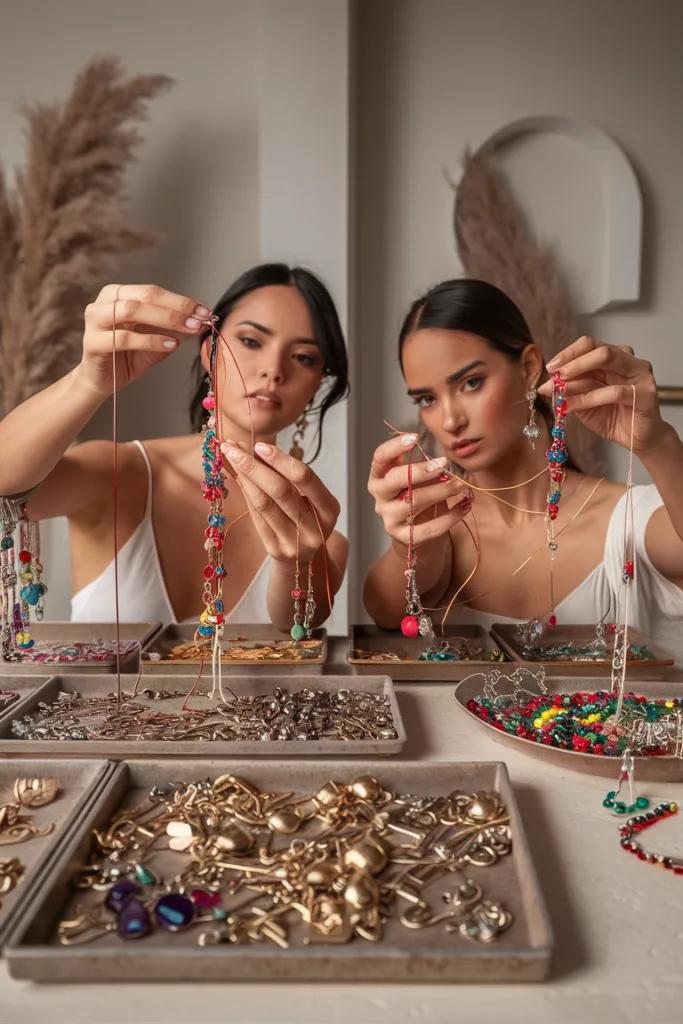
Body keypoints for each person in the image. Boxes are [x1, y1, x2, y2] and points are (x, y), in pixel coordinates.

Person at [0, 264, 349, 629]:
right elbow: (6, 487)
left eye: (303, 357)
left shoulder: (321, 542)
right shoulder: (121, 473)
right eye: (250, 341)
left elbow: (291, 626)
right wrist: (88, 382)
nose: (274, 369)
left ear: (318, 384)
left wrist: (295, 560)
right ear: (208, 351)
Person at [364, 278, 683, 661]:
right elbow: (383, 613)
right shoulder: (442, 528)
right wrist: (406, 545)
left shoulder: (628, 519)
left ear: (529, 367)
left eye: (471, 382)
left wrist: (658, 443)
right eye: (428, 398)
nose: (449, 420)